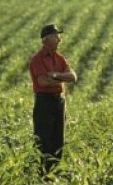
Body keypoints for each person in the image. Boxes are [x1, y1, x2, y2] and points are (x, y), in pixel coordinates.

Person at [29, 24, 77, 175]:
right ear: (45, 40)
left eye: (59, 36)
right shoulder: (37, 59)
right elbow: (43, 82)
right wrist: (62, 78)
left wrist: (55, 75)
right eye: (56, 36)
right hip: (44, 102)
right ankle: (43, 174)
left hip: (59, 101)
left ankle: (55, 174)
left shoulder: (59, 58)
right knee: (44, 139)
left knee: (58, 138)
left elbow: (73, 77)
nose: (59, 39)